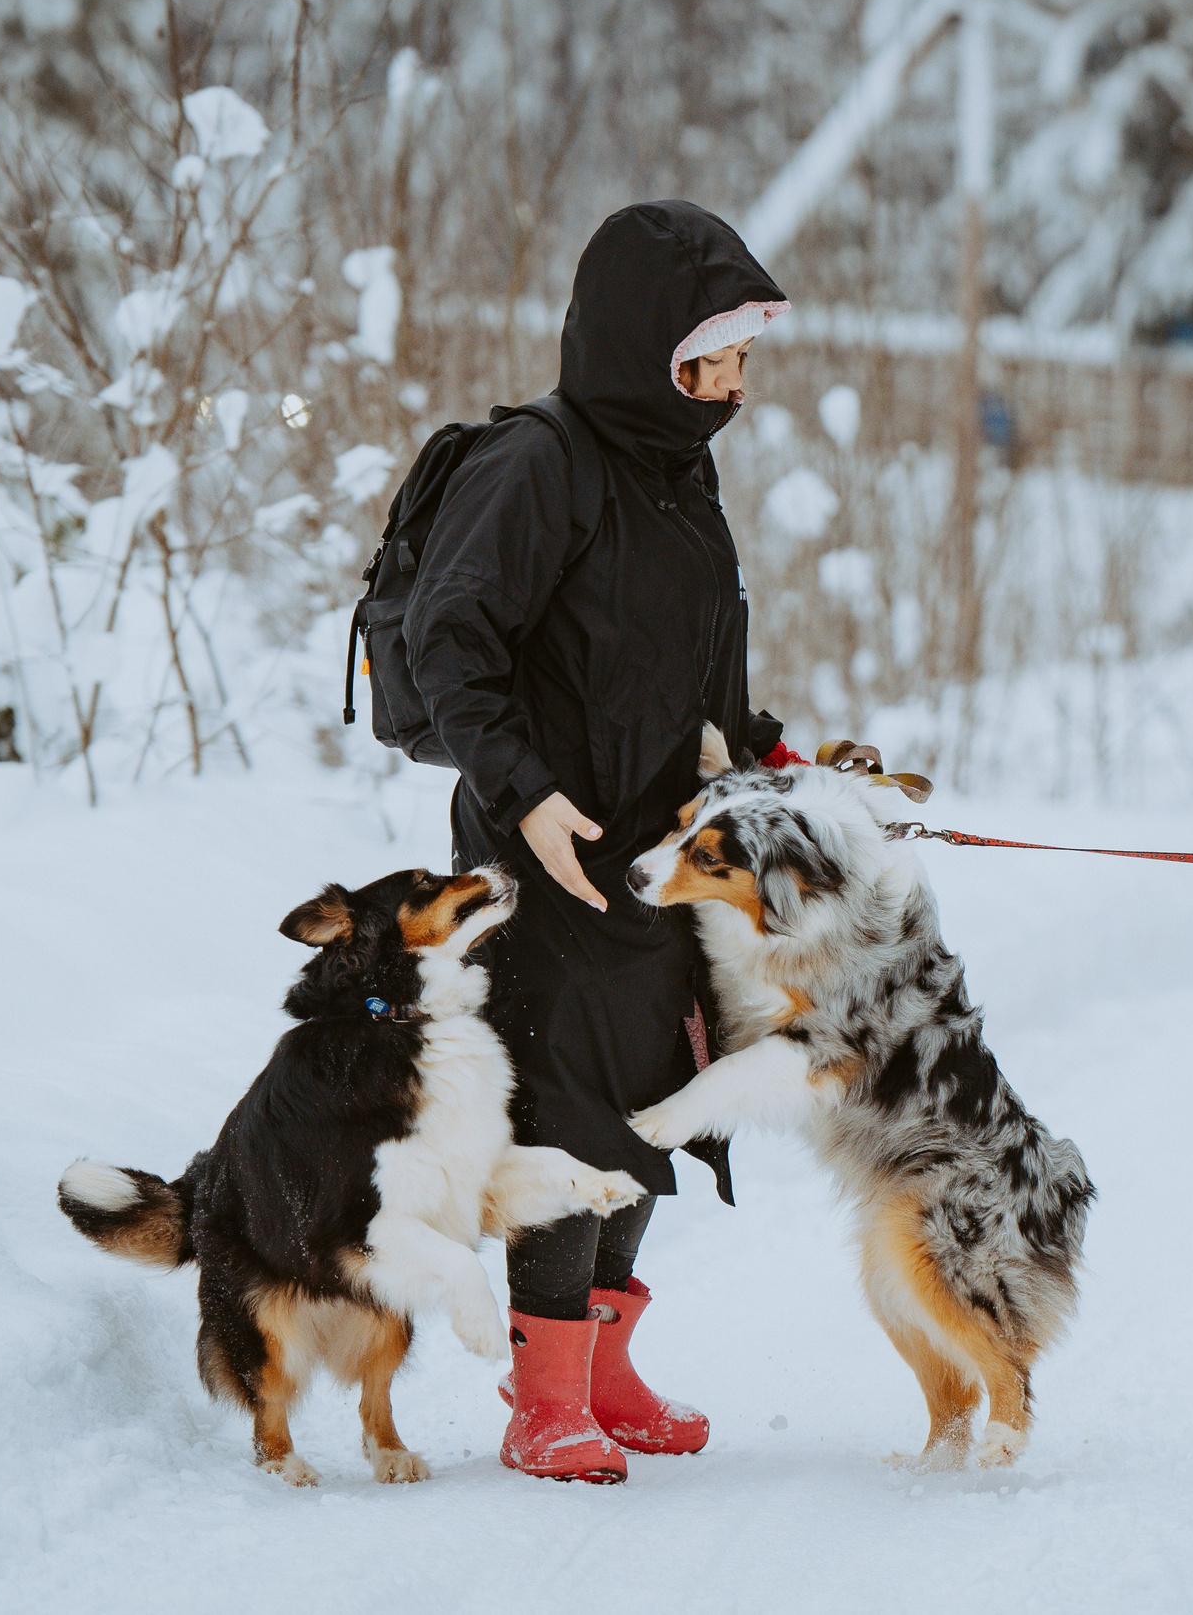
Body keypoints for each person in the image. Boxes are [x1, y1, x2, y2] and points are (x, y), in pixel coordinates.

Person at [403, 200, 797, 1483]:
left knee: (647, 1107)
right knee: (566, 1121)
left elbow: (690, 661)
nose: (729, 389)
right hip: (549, 857)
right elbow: (449, 645)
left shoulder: (678, 468)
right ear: (638, 348)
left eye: (739, 363)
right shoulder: (543, 464)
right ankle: (543, 1395)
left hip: (657, 853)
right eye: (707, 363)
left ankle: (604, 1366)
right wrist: (521, 795)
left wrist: (758, 752)